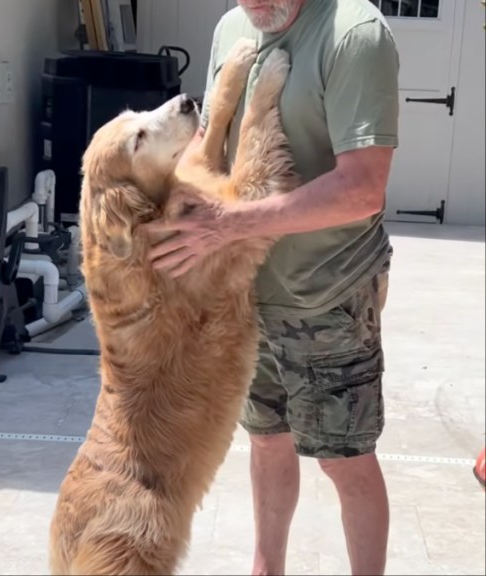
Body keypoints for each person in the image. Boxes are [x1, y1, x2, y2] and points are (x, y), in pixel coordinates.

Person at [143, 1, 400, 575]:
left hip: (327, 293)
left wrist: (228, 225)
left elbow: (363, 189)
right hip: (245, 296)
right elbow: (210, 140)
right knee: (265, 441)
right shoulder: (234, 28)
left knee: (345, 459)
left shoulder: (354, 35)